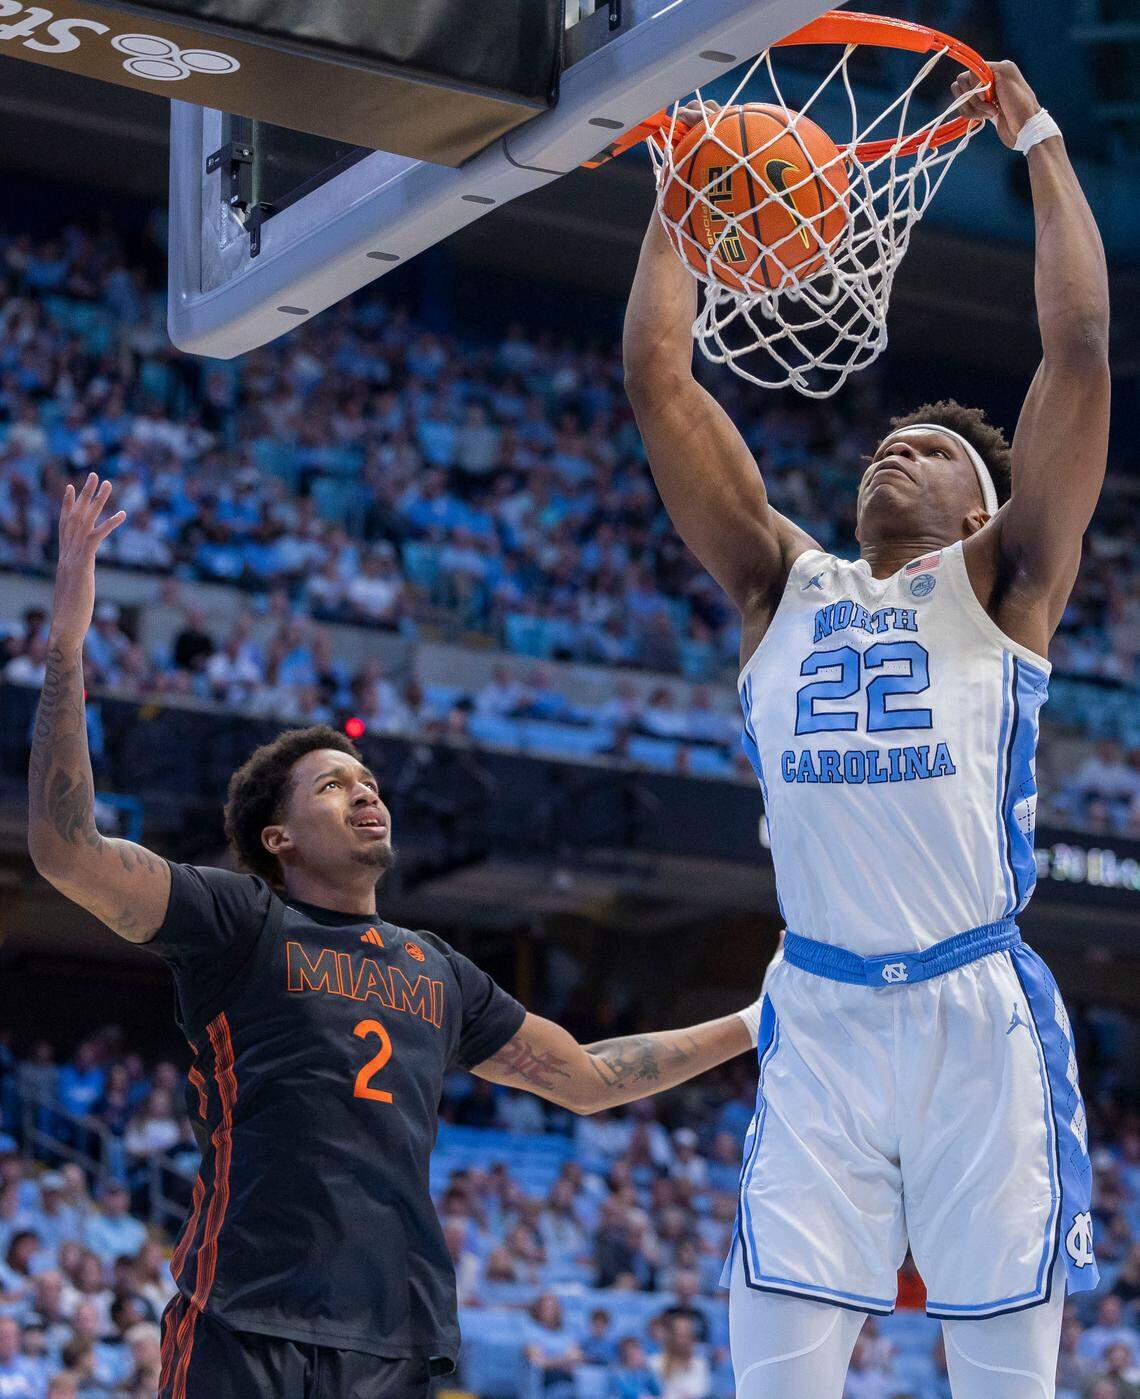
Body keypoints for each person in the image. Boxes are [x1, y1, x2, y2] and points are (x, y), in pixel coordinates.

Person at [27, 470, 767, 1398]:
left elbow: (584, 1077)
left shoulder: (439, 970)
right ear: (279, 837)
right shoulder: (243, 920)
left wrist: (752, 1020)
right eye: (334, 782)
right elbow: (66, 849)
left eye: (368, 776)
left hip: (400, 1334)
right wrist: (68, 644)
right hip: (248, 1317)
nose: (365, 788)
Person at [623, 58, 1109, 1399]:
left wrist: (1044, 142)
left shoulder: (1006, 586)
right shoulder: (783, 582)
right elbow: (662, 380)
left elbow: (1076, 350)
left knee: (1005, 1382)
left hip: (974, 1009)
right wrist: (683, 188)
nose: (898, 448)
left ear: (980, 507)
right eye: (889, 439)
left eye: (936, 450)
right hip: (822, 1006)